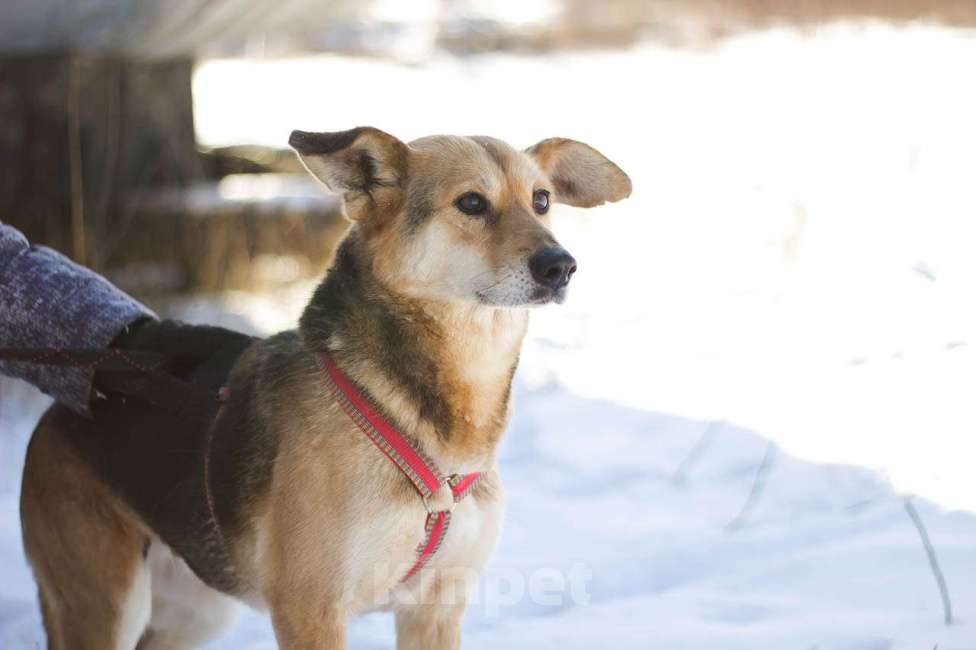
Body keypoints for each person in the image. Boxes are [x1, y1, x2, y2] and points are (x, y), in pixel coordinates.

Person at [0, 221, 254, 415]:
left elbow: (10, 260)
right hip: (110, 349)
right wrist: (115, 343)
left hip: (112, 336)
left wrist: (126, 332)